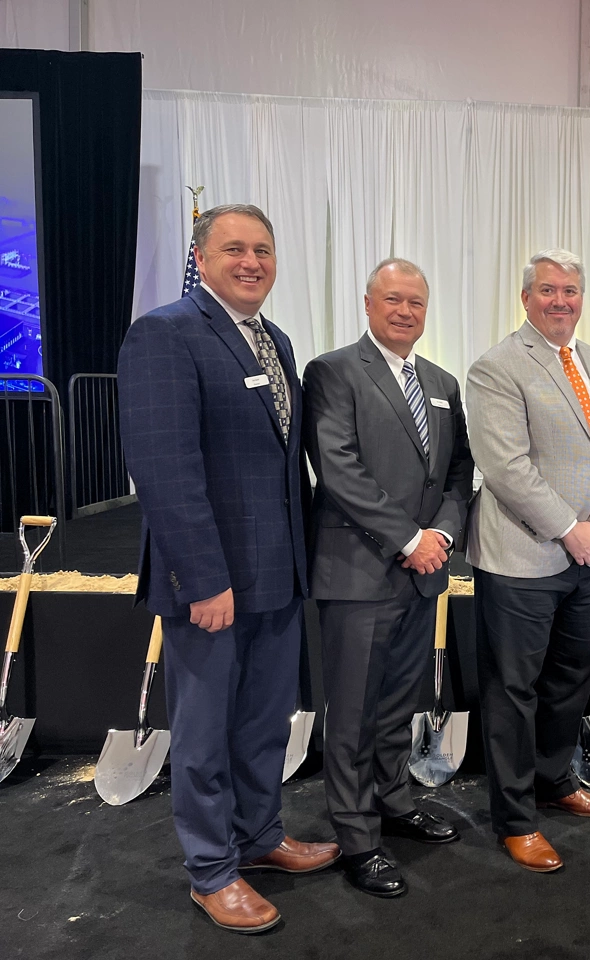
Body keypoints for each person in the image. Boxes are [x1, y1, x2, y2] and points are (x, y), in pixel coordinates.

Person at [117, 204, 338, 934]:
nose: (252, 262)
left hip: (276, 576)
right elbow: (166, 470)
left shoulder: (272, 340)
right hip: (211, 584)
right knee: (206, 732)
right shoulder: (165, 333)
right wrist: (202, 579)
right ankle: (212, 870)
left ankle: (261, 837)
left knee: (263, 724)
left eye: (264, 250)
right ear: (200, 256)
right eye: (235, 249)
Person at [302, 258, 474, 898]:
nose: (405, 312)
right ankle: (356, 836)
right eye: (393, 299)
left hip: (421, 573)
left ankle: (395, 801)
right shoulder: (333, 371)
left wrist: (444, 538)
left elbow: (458, 472)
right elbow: (338, 468)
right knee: (351, 711)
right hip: (359, 570)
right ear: (368, 303)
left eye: (417, 303)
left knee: (398, 703)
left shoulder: (440, 380)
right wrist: (409, 539)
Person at [465, 249, 590, 873]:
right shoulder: (497, 368)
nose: (560, 300)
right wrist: (570, 530)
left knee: (567, 680)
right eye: (547, 290)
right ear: (526, 298)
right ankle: (515, 817)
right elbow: (506, 467)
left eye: (570, 290)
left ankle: (554, 780)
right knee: (514, 690)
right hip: (522, 557)